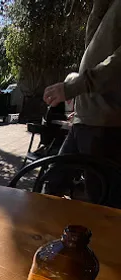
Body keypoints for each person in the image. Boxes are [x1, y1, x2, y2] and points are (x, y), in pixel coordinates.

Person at [43, 0, 121, 206]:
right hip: (83, 120)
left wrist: (70, 88)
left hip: (105, 125)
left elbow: (116, 66)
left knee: (103, 203)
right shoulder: (109, 8)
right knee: (52, 185)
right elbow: (93, 51)